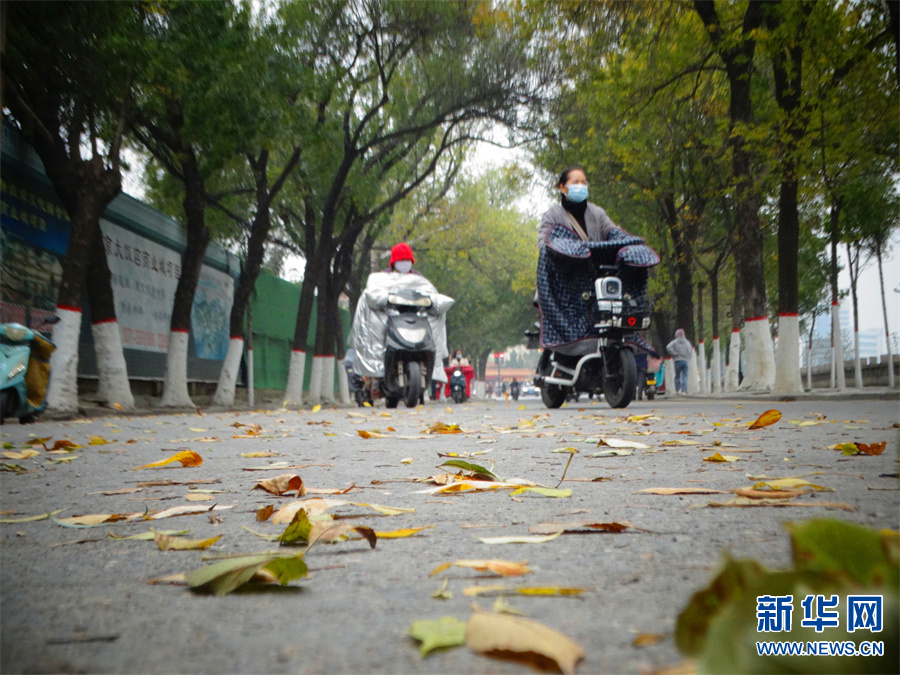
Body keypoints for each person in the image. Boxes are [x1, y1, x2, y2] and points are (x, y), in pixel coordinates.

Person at [538, 165, 623, 246]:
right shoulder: (552, 215)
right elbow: (543, 244)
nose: (580, 186)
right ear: (562, 188)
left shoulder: (597, 213)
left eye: (584, 183)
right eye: (575, 182)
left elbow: (613, 232)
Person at [667, 329, 693, 394]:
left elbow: (668, 347)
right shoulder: (687, 342)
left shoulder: (675, 342)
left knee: (677, 376)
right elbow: (690, 351)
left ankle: (677, 390)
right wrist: (688, 359)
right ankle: (684, 390)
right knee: (685, 376)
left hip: (677, 361)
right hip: (685, 361)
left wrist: (674, 353)